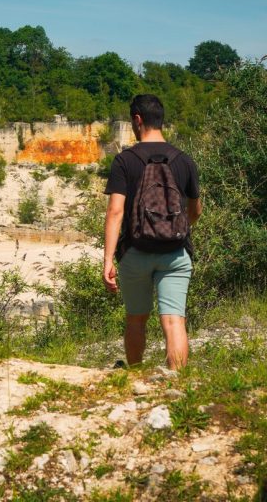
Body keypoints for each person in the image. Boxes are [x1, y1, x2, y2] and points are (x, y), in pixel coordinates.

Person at [103, 94, 202, 370]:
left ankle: (134, 375)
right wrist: (177, 230)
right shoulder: (184, 161)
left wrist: (108, 259)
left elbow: (115, 212)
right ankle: (175, 382)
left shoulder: (125, 161)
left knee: (136, 318)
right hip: (175, 253)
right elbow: (195, 210)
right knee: (174, 320)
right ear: (161, 119)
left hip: (135, 252)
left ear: (137, 120)